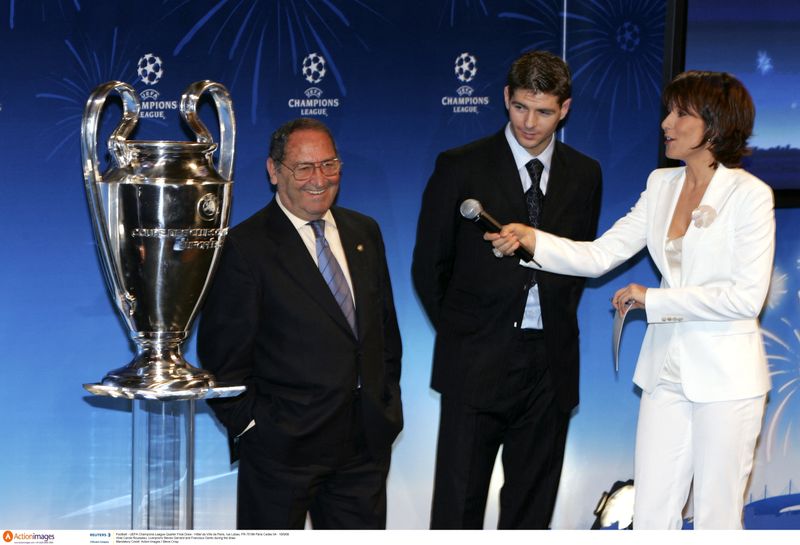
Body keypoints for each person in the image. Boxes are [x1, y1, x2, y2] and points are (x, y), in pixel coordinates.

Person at [486, 71, 774, 529]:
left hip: (728, 380)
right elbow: (602, 254)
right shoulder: (662, 184)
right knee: (652, 512)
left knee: (718, 516)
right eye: (668, 111)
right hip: (665, 372)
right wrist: (533, 241)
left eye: (681, 114)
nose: (666, 123)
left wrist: (654, 300)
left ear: (715, 126)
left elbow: (745, 297)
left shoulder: (750, 196)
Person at [412, 50, 603, 529]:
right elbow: (427, 266)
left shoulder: (586, 174)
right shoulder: (460, 166)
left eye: (543, 111)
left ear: (565, 108)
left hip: (550, 364)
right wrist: (465, 332)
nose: (530, 123)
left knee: (531, 511)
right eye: (520, 107)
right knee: (457, 508)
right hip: (475, 359)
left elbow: (579, 265)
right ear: (504, 99)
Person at [197, 117, 403, 529]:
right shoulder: (243, 247)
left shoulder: (365, 231)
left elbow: (384, 333)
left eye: (329, 165)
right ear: (274, 172)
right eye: (303, 167)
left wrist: (385, 404)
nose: (319, 179)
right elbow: (222, 362)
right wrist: (257, 429)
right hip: (281, 455)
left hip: (363, 449)